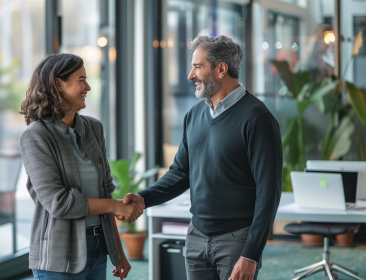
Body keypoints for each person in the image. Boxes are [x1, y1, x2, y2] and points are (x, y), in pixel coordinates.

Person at [119, 35, 282, 280]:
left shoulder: (258, 119)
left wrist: (250, 254)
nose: (190, 75)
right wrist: (144, 198)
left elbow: (269, 193)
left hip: (237, 240)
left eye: (197, 67)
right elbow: (180, 172)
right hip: (196, 235)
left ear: (221, 69)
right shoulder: (194, 115)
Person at [19, 53, 142, 279]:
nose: (88, 87)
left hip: (98, 248)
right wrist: (115, 206)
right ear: (58, 84)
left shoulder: (93, 129)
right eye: (81, 79)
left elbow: (105, 193)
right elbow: (59, 203)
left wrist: (118, 253)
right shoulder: (36, 136)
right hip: (58, 257)